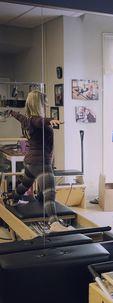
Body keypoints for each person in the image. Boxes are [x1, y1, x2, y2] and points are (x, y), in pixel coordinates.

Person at [5, 90, 71, 232]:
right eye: (44, 103)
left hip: (30, 162)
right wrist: (49, 120)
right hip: (41, 163)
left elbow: (19, 116)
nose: (46, 105)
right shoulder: (36, 120)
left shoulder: (26, 119)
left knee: (24, 185)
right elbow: (40, 121)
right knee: (50, 192)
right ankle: (54, 223)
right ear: (38, 104)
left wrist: (11, 112)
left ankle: (13, 199)